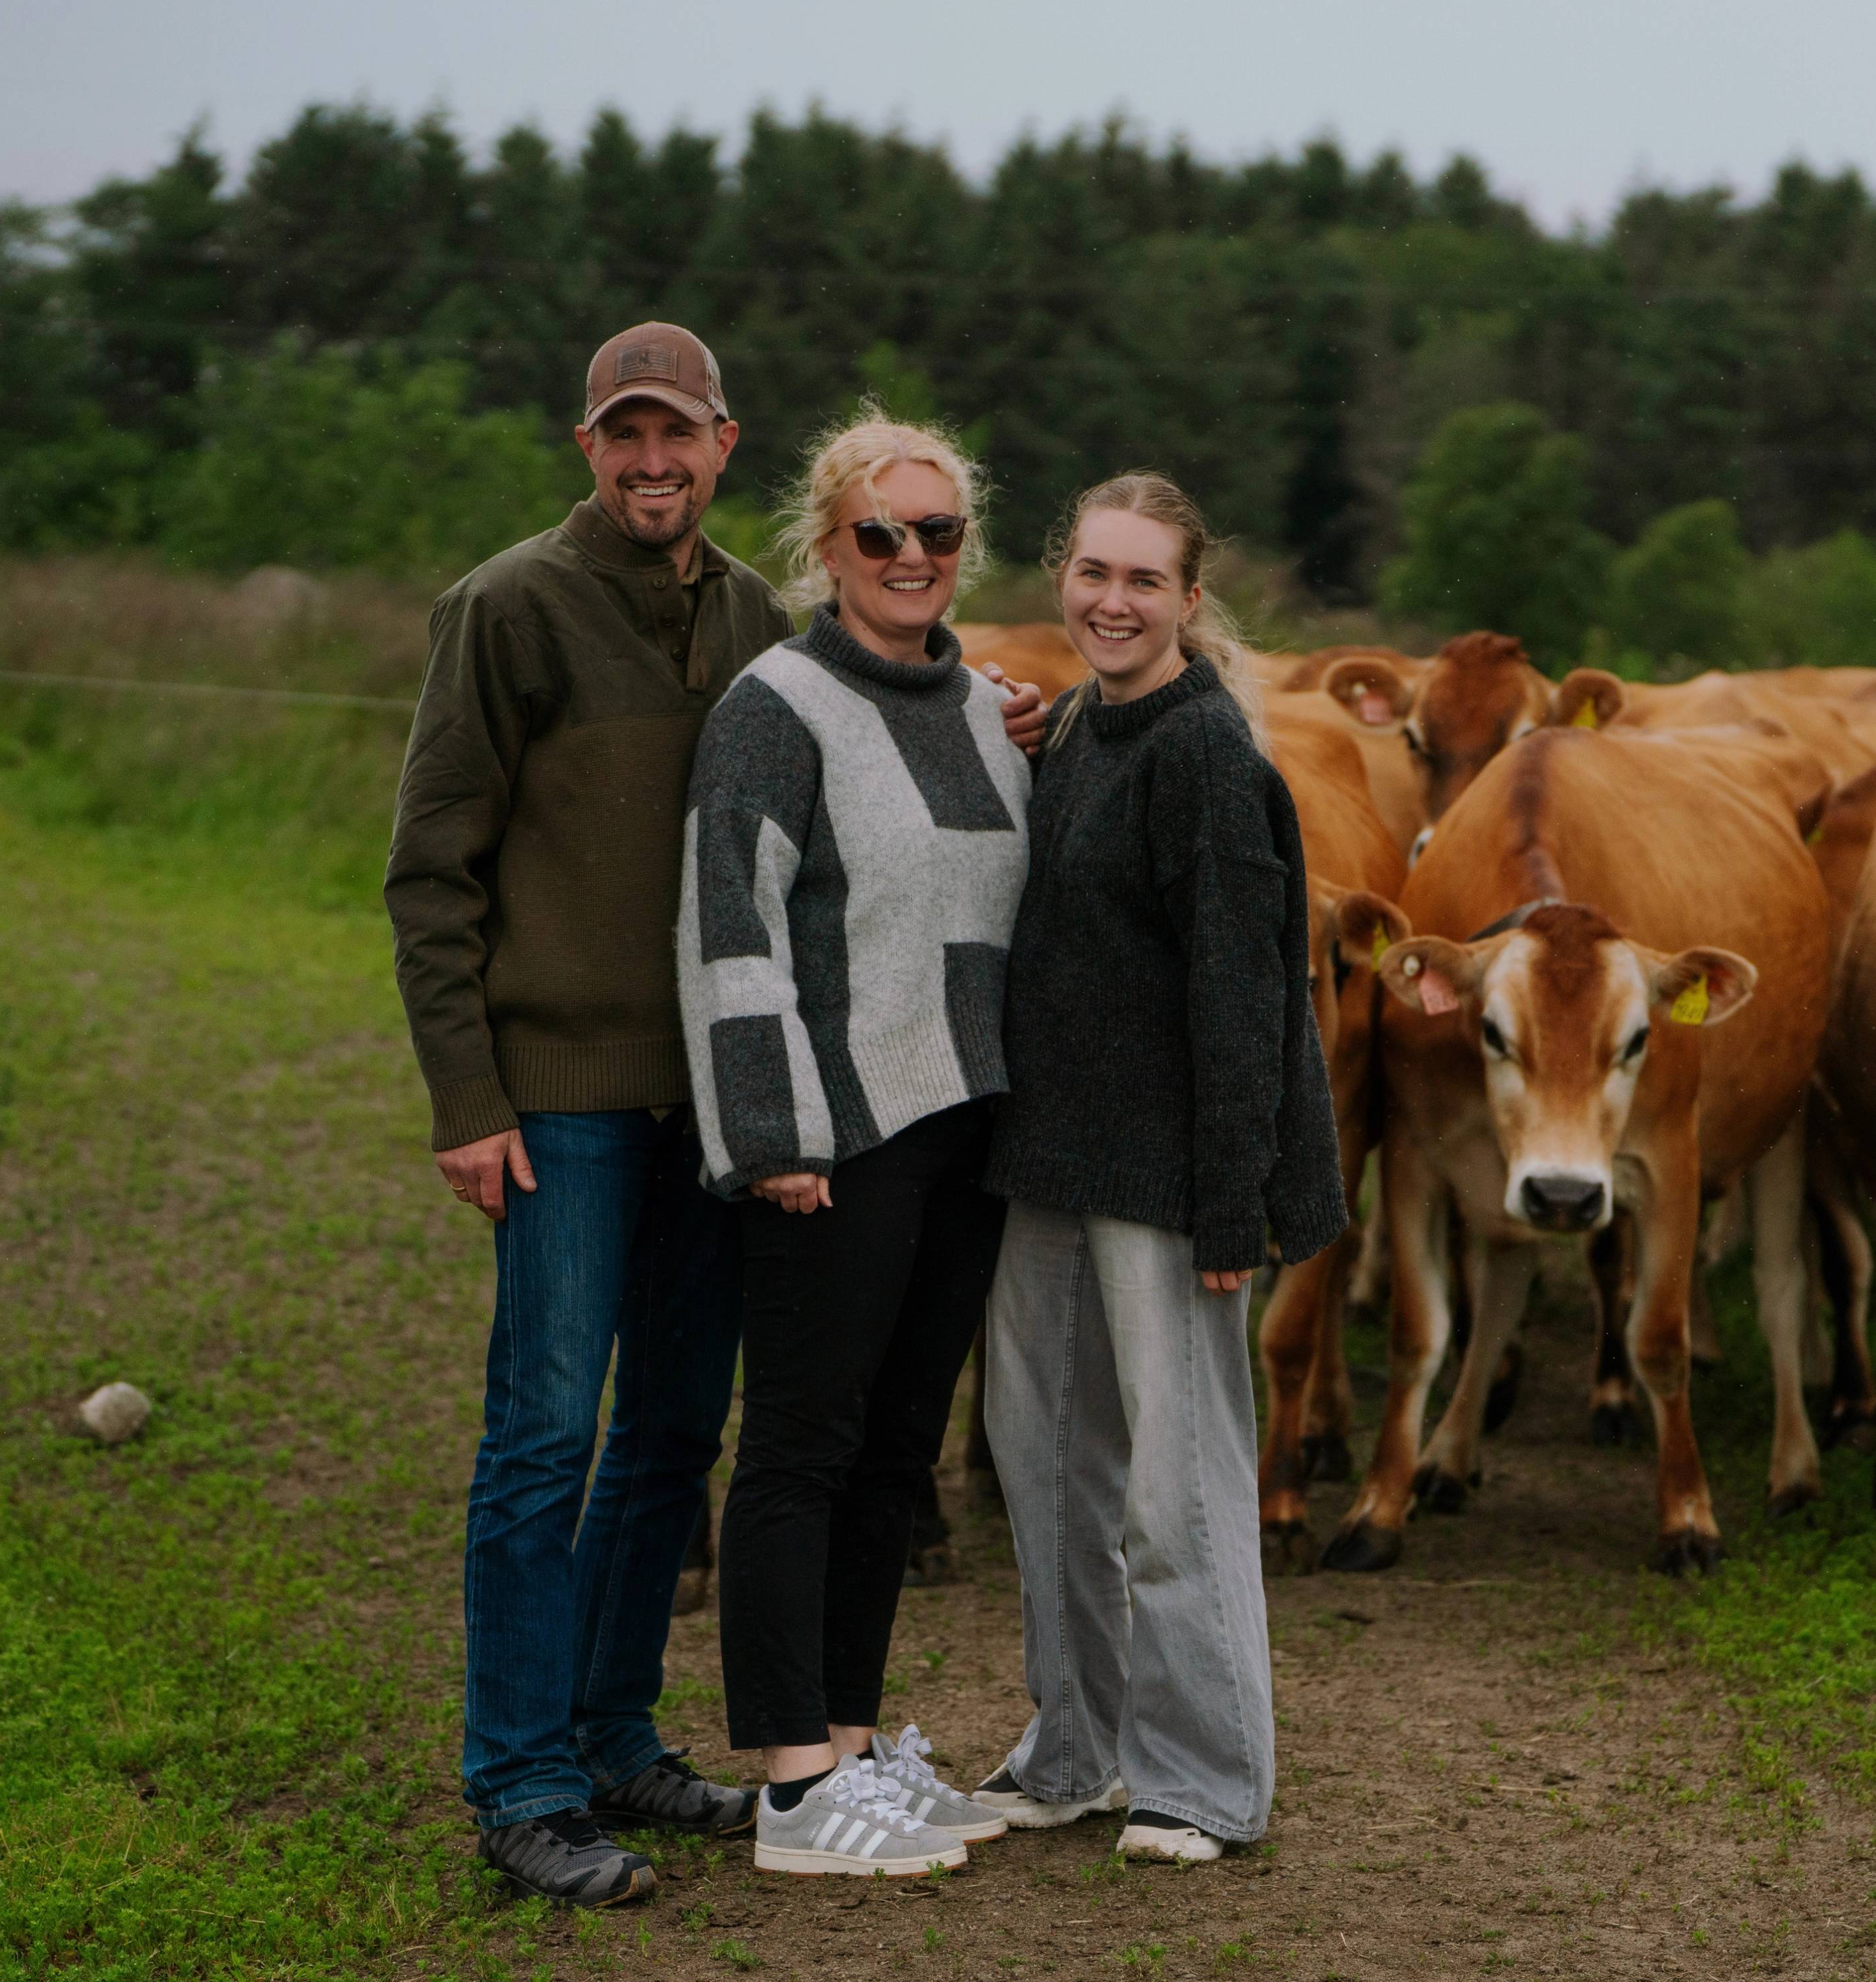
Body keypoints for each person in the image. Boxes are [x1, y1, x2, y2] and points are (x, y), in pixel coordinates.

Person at [385, 327, 1040, 1908]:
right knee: (544, 1437)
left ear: (724, 445)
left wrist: (999, 718)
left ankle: (615, 1736)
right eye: (625, 437)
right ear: (587, 444)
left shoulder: (756, 618)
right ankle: (522, 1780)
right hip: (565, 1095)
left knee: (674, 1438)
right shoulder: (505, 607)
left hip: (719, 1104)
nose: (651, 463)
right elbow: (431, 865)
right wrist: (466, 1095)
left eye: (675, 435)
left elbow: (876, 722)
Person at [974, 473, 1347, 1862]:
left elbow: (1245, 994)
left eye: (1141, 580)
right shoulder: (1073, 726)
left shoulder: (1203, 754)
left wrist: (1228, 1199)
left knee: (1172, 1489)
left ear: (1189, 603)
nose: (1109, 601)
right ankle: (1071, 1749)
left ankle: (1201, 1780)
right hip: (1048, 1159)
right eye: (1090, 572)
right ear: (1061, 576)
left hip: (1171, 1178)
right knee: (1048, 1469)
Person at [677, 414, 1030, 1877]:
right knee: (801, 1449)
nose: (908, 557)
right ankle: (788, 1785)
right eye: (877, 533)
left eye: (935, 533)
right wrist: (766, 1128)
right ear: (823, 547)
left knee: (895, 1452)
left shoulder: (979, 709)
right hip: (834, 1129)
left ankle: (856, 1743)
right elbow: (728, 924)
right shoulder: (774, 706)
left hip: (963, 1129)